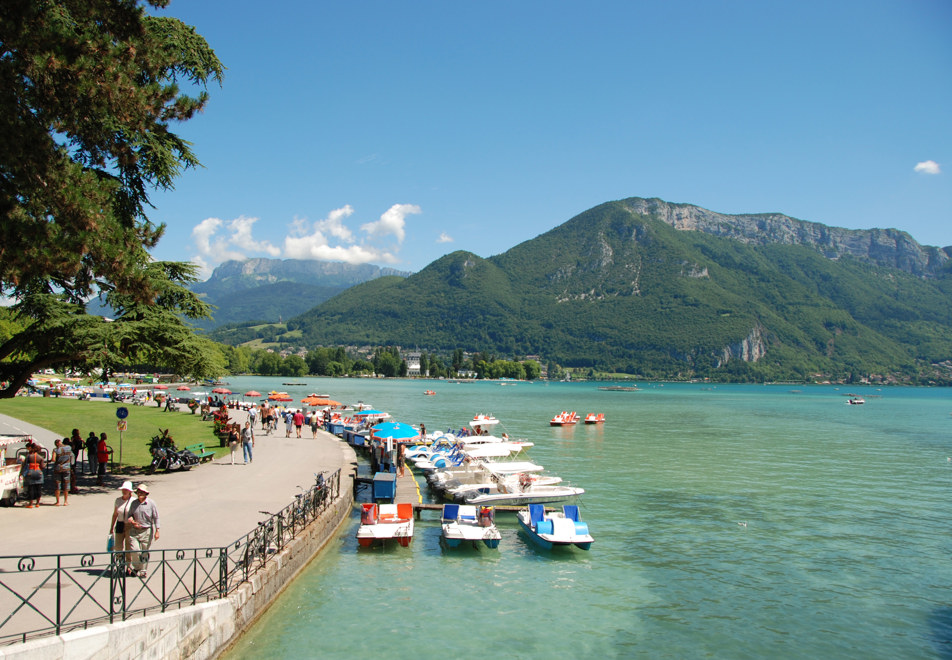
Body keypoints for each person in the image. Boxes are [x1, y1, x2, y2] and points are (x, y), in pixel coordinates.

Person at [127, 484, 160, 578]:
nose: (140, 494)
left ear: (146, 494)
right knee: (135, 550)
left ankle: (143, 570)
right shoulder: (134, 503)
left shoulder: (151, 503)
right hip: (135, 530)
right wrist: (132, 521)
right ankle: (137, 567)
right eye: (138, 492)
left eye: (142, 492)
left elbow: (156, 517)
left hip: (147, 530)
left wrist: (157, 531)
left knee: (144, 551)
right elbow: (129, 515)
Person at [110, 481, 135, 575]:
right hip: (120, 524)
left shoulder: (133, 501)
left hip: (129, 525)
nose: (124, 491)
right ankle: (120, 564)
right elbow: (115, 514)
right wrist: (111, 527)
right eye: (123, 490)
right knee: (118, 546)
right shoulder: (118, 500)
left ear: (130, 491)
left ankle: (129, 566)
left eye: (126, 490)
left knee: (129, 546)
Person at [20, 442, 45, 508]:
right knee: (38, 488)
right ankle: (37, 503)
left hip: (30, 472)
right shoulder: (40, 458)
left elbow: (24, 465)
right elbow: (42, 467)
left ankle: (30, 504)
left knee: (31, 488)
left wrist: (21, 473)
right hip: (38, 471)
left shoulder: (29, 456)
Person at [52, 438, 73, 505]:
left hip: (58, 468)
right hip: (66, 468)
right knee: (66, 484)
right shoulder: (68, 448)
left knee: (58, 484)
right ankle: (65, 501)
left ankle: (58, 502)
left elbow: (53, 459)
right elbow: (72, 456)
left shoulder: (55, 450)